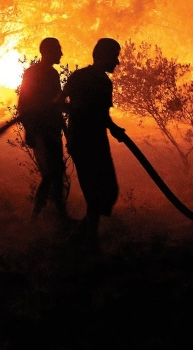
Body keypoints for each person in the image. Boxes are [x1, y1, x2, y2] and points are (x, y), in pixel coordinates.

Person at [61, 38, 128, 246]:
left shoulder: (103, 82)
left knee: (107, 190)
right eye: (115, 56)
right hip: (83, 141)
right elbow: (59, 102)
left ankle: (80, 238)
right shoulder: (83, 77)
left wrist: (113, 128)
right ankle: (88, 240)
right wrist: (77, 115)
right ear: (103, 55)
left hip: (97, 140)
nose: (117, 62)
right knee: (95, 192)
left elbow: (102, 115)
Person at [17, 37, 69, 222]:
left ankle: (58, 216)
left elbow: (57, 104)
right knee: (51, 173)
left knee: (56, 172)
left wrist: (66, 129)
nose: (61, 54)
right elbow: (23, 104)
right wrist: (29, 130)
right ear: (48, 52)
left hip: (52, 130)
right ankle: (37, 217)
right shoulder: (32, 74)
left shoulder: (53, 75)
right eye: (58, 50)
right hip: (40, 130)